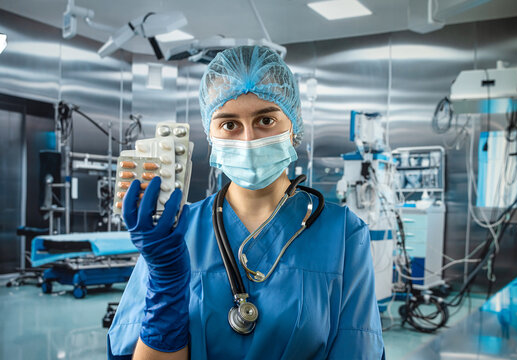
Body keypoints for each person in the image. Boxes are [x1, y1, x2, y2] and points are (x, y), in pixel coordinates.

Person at [107, 45, 384, 360]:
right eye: (229, 124)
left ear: (294, 125)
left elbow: (357, 350)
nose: (248, 140)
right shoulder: (174, 235)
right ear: (211, 135)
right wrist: (165, 281)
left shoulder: (344, 235)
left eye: (265, 120)